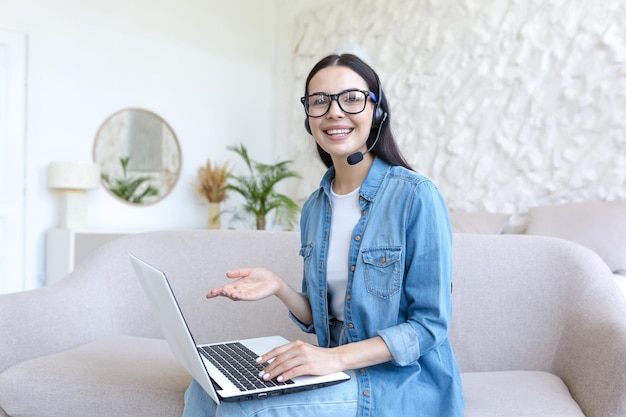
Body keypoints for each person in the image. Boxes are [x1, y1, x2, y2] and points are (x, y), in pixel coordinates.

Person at [183, 53, 465, 417]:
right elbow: (325, 321)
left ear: (376, 112)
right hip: (339, 370)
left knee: (244, 412)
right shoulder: (316, 207)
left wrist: (330, 359)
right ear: (309, 118)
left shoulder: (416, 196)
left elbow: (429, 326)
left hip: (403, 384)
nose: (334, 112)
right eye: (320, 102)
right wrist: (279, 287)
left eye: (351, 98)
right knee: (204, 388)